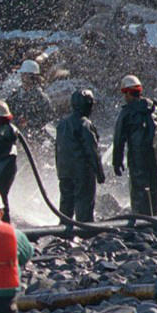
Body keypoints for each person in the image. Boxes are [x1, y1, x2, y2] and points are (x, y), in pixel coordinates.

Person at [113, 75, 157, 215]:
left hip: (137, 158)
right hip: (153, 158)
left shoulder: (127, 112)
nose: (124, 97)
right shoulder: (153, 109)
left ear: (128, 93)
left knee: (139, 189)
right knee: (153, 186)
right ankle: (154, 218)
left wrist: (117, 161)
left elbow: (118, 139)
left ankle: (142, 220)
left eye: (124, 94)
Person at [55, 89, 105, 223]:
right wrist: (99, 172)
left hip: (64, 173)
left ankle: (63, 235)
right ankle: (85, 235)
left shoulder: (61, 125)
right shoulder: (85, 124)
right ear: (88, 105)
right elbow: (92, 151)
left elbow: (58, 151)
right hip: (82, 173)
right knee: (84, 205)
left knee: (66, 206)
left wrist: (60, 172)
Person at [5, 60, 53, 140]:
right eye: (22, 74)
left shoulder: (41, 97)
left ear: (32, 76)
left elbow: (48, 117)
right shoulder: (15, 94)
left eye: (24, 74)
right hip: (17, 133)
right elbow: (6, 110)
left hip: (35, 135)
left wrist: (28, 122)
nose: (22, 77)